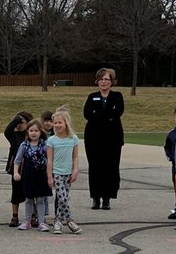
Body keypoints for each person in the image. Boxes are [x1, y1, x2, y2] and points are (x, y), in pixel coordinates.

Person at [82, 68, 124, 210]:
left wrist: (98, 113)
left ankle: (107, 198)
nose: (104, 82)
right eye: (101, 79)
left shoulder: (117, 96)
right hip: (94, 138)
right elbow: (87, 114)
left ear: (112, 81)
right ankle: (95, 197)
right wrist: (107, 113)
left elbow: (117, 112)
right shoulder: (92, 96)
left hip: (112, 138)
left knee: (110, 167)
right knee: (95, 167)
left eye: (107, 79)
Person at [12, 118, 52, 231]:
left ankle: (41, 221)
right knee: (28, 199)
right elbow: (17, 160)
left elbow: (50, 160)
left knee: (40, 199)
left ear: (41, 132)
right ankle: (27, 221)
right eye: (31, 131)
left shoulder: (44, 145)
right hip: (28, 176)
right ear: (27, 132)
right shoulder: (24, 145)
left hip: (41, 176)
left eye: (36, 131)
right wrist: (16, 172)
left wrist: (50, 174)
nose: (33, 133)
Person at [46, 108, 81, 234]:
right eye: (55, 123)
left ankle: (58, 221)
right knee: (62, 197)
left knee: (63, 197)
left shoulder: (73, 139)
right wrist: (49, 176)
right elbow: (49, 160)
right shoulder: (51, 140)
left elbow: (75, 156)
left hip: (69, 173)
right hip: (57, 173)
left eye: (59, 123)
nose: (57, 125)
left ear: (66, 123)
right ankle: (70, 221)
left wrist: (76, 170)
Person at [3, 111, 34, 227]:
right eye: (17, 123)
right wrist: (16, 119)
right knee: (15, 193)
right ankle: (14, 216)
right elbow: (7, 131)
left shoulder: (31, 135)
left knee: (31, 193)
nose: (19, 125)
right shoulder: (14, 136)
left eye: (22, 122)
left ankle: (33, 215)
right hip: (16, 169)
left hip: (30, 168)